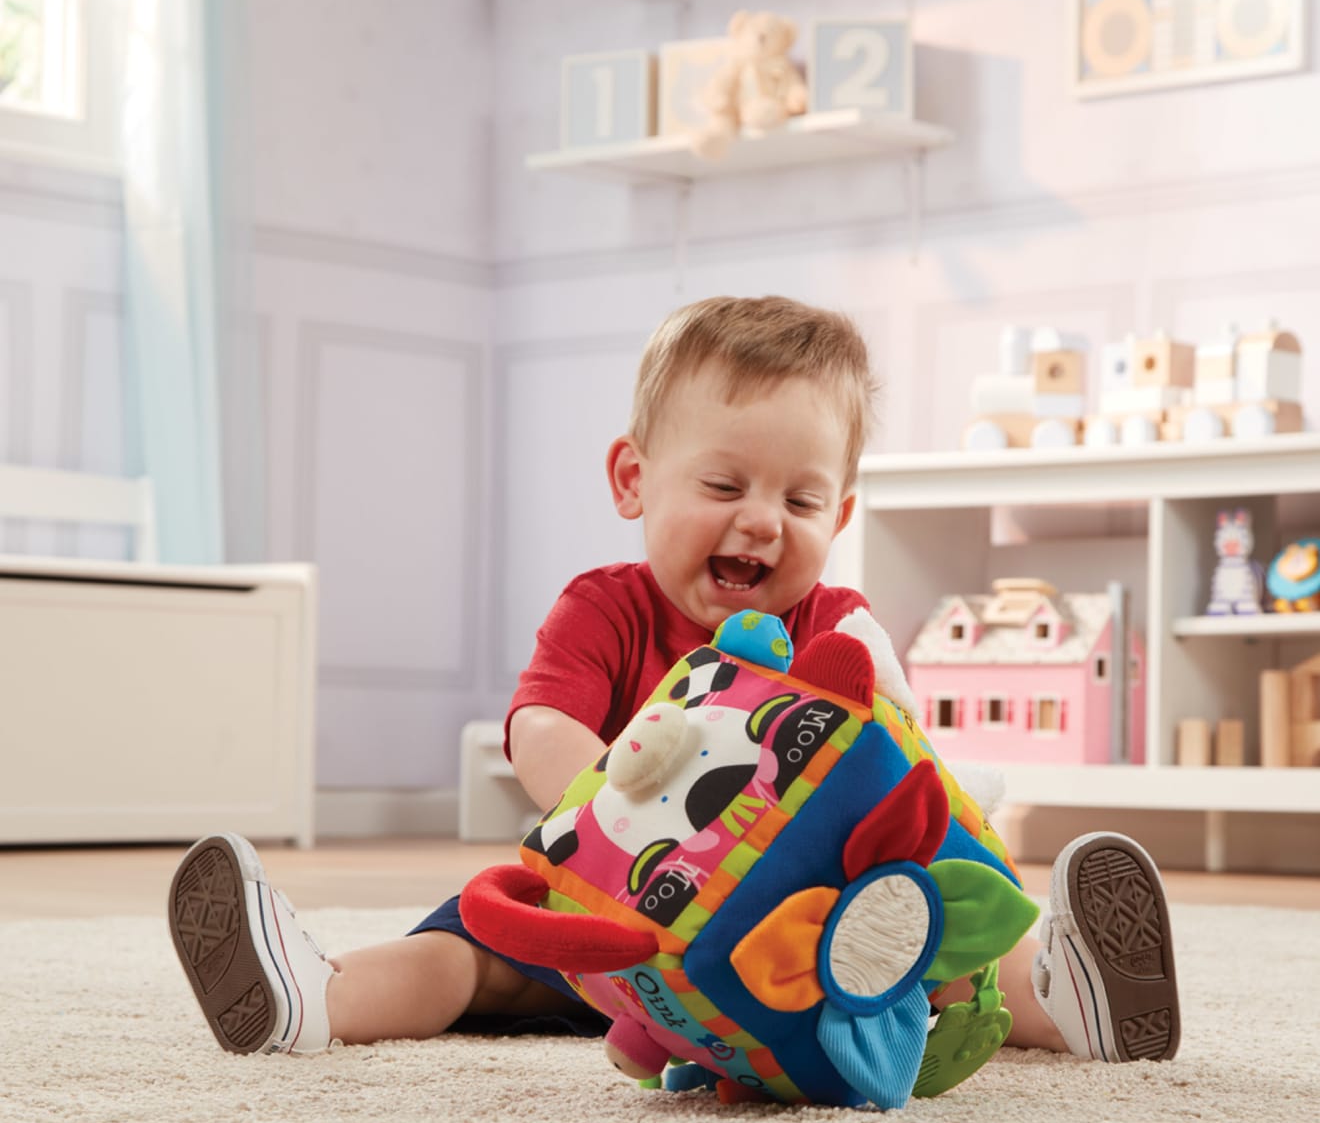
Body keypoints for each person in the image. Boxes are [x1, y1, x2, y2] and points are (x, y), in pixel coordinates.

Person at [168, 295, 1179, 1069]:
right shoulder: (605, 607)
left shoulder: (836, 631)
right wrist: (623, 817)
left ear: (844, 512)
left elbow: (909, 780)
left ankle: (1070, 996)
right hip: (603, 915)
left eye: (803, 498)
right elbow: (542, 729)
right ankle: (312, 997)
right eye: (726, 485)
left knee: (960, 951)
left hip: (797, 943)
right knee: (465, 951)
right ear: (632, 480)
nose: (763, 522)